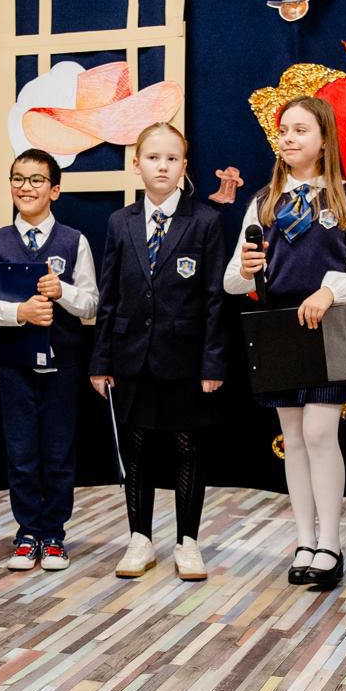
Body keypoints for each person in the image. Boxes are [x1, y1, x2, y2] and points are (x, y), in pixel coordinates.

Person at [225, 96, 346, 589]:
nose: (288, 138)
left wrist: (330, 291)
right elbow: (232, 280)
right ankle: (304, 541)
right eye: (284, 131)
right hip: (279, 329)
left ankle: (331, 544)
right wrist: (245, 270)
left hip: (330, 326)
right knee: (292, 438)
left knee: (319, 433)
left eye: (300, 130)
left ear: (324, 140)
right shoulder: (263, 202)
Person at [92, 123, 227, 581]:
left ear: (184, 165)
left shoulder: (205, 220)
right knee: (136, 446)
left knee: (188, 447)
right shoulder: (120, 222)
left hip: (185, 357)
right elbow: (109, 295)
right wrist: (101, 360)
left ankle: (188, 541)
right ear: (137, 165)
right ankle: (139, 538)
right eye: (153, 158)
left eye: (172, 159)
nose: (162, 167)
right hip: (130, 355)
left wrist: (213, 361)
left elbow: (215, 299)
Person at [0, 149, 98, 572]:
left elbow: (92, 303)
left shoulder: (74, 242)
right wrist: (19, 313)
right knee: (22, 453)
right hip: (14, 364)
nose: (26, 187)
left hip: (63, 365)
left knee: (59, 453)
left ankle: (54, 534)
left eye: (37, 180)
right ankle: (27, 533)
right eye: (18, 179)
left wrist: (64, 292)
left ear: (55, 190)